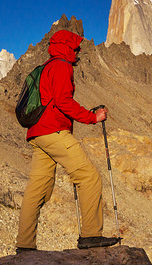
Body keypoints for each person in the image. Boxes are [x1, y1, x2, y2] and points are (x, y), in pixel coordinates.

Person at [16, 29, 120, 252]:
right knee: (88, 176)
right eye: (76, 47)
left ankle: (24, 246)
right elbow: (63, 101)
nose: (79, 51)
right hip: (53, 132)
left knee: (37, 189)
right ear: (67, 47)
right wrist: (93, 117)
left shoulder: (46, 67)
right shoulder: (61, 65)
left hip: (37, 134)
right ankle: (91, 235)